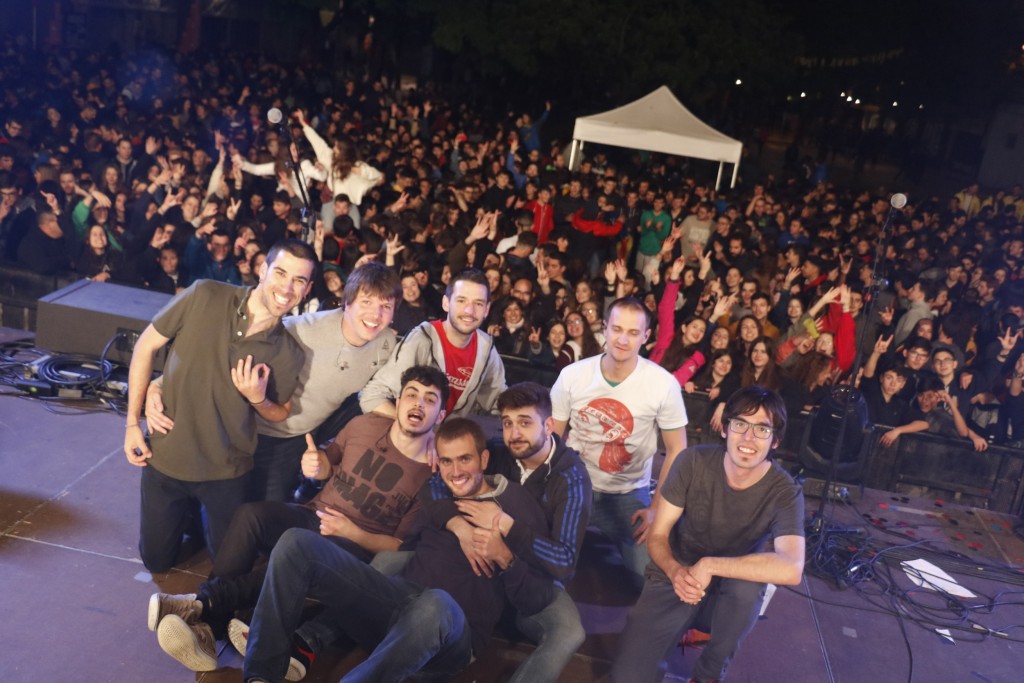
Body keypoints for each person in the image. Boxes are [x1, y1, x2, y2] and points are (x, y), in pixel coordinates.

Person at [146, 366, 449, 673]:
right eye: (412, 394)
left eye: (429, 399)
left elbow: (397, 546)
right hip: (312, 515)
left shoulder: (432, 474)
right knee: (252, 516)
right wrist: (317, 466)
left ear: (440, 416)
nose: (418, 404)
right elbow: (329, 461)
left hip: (353, 548)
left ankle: (200, 607)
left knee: (298, 555)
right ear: (398, 401)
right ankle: (209, 627)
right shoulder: (365, 424)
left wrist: (352, 532)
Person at [239, 418, 553, 683]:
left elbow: (536, 597)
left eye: (465, 459)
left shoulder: (518, 508)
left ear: (483, 460)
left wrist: (505, 557)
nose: (455, 471)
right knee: (296, 541)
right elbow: (406, 543)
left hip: (455, 634)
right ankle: (260, 675)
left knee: (436, 603)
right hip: (398, 603)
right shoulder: (435, 494)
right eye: (446, 461)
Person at [123, 239, 316, 572]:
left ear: (308, 288)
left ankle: (200, 518)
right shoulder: (205, 294)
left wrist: (259, 398)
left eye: (299, 280)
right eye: (281, 273)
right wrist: (132, 423)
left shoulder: (289, 352)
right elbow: (145, 346)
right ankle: (188, 518)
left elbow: (280, 412)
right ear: (262, 270)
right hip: (167, 457)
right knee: (155, 561)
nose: (287, 288)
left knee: (228, 569)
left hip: (226, 471)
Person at [145, 262, 401, 503]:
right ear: (348, 302)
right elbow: (223, 354)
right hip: (253, 426)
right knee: (224, 501)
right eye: (366, 302)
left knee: (265, 508)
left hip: (300, 434)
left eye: (385, 307)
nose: (375, 315)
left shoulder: (387, 342)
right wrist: (159, 384)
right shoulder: (300, 331)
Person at [611, 386, 805, 683]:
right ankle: (676, 626)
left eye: (762, 429)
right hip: (677, 574)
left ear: (775, 440)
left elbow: (791, 567)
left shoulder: (784, 491)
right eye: (740, 424)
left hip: (727, 594)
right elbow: (658, 534)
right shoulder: (691, 462)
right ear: (726, 428)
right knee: (627, 677)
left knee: (749, 582)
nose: (749, 438)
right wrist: (676, 571)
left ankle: (708, 674)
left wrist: (710, 565)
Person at [423, 382, 593, 683]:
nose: (514, 433)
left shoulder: (571, 478)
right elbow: (437, 483)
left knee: (568, 632)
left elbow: (564, 561)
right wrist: (459, 527)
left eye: (525, 423)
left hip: (528, 576)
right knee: (387, 562)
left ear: (549, 425)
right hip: (473, 561)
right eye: (507, 423)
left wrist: (507, 526)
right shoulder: (497, 452)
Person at [551, 297, 687, 587]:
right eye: (616, 329)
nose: (623, 339)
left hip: (628, 494)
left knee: (649, 579)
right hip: (574, 485)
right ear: (605, 328)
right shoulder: (573, 376)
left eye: (633, 332)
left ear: (646, 337)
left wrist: (656, 508)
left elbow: (677, 449)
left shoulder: (663, 384)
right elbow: (551, 439)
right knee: (549, 572)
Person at [360, 268, 506, 418]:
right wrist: (414, 429)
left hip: (450, 438)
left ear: (487, 309)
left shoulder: (486, 347)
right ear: (446, 303)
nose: (469, 310)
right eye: (461, 301)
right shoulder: (422, 339)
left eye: (479, 303)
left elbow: (499, 401)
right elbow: (371, 396)